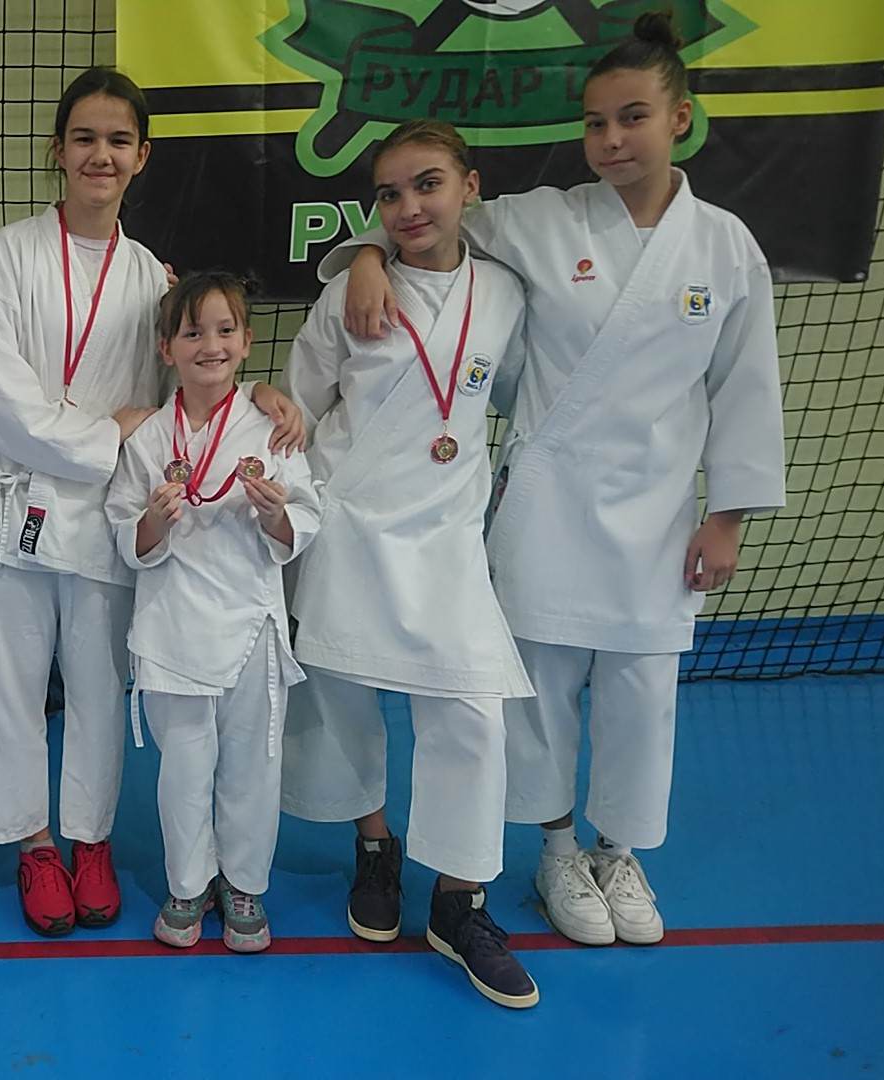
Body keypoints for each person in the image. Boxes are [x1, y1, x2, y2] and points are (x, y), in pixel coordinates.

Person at [326, 12, 786, 949]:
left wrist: (729, 515)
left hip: (662, 505)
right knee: (536, 685)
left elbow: (745, 383)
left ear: (680, 118)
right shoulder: (543, 218)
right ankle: (557, 846)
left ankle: (620, 851)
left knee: (642, 688)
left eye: (632, 118)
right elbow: (423, 225)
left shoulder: (725, 246)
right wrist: (365, 256)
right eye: (595, 123)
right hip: (549, 492)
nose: (611, 140)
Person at [0, 65, 307, 937]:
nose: (101, 155)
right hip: (10, 505)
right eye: (84, 138)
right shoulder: (9, 254)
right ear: (58, 150)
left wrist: (260, 393)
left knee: (96, 687)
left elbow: (193, 378)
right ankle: (35, 843)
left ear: (143, 156)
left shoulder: (153, 275)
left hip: (107, 515)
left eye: (119, 140)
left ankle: (90, 840)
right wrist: (100, 432)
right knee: (10, 687)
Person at [281, 120, 540, 1008]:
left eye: (427, 184)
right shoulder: (347, 295)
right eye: (388, 195)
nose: (408, 207)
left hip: (446, 531)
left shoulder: (504, 293)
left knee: (472, 710)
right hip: (351, 520)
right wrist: (360, 259)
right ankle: (374, 844)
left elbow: (516, 394)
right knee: (342, 697)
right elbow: (301, 406)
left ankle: (460, 901)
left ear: (470, 186)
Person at [106, 270, 320, 953]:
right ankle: (188, 883)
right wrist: (153, 522)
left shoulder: (272, 430)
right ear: (166, 348)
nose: (211, 345)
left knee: (253, 765)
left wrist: (277, 515)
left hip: (252, 621)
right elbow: (123, 528)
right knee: (184, 769)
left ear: (248, 341)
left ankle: (245, 881)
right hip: (172, 627)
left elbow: (307, 517)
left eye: (226, 330)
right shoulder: (147, 439)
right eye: (193, 332)